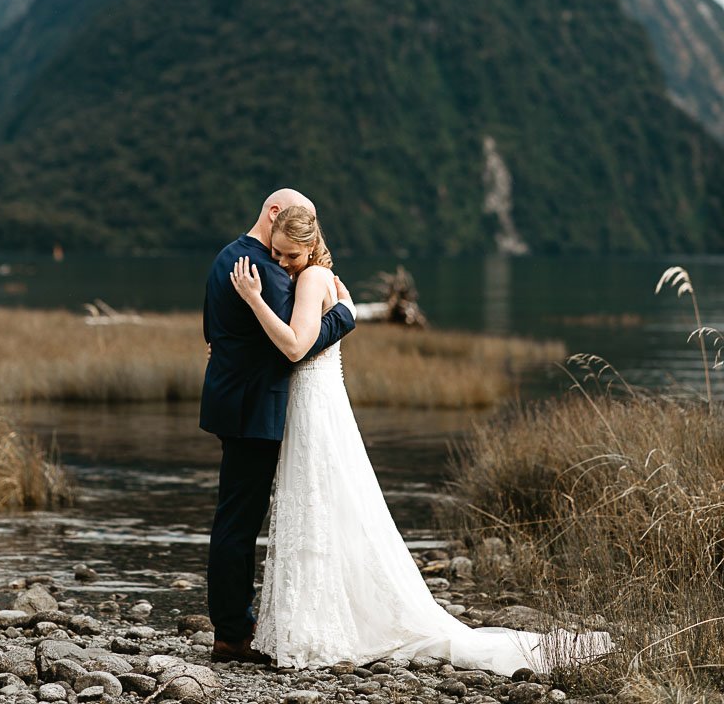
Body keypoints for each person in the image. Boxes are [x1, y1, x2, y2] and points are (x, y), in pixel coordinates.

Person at [230, 205, 612, 676]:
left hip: (314, 407)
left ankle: (316, 629)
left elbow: (294, 346)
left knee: (317, 503)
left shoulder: (310, 280)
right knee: (326, 505)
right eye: (275, 253)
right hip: (318, 404)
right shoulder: (326, 278)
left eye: (288, 254)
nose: (280, 262)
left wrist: (252, 299)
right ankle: (320, 620)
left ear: (310, 247)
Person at [200, 188, 357, 664]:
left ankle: (237, 624)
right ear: (274, 213)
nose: (284, 257)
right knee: (239, 524)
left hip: (233, 402)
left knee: (236, 518)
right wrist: (344, 317)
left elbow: (214, 332)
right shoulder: (265, 271)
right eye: (287, 225)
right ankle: (232, 633)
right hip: (254, 411)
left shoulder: (229, 255)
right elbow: (298, 344)